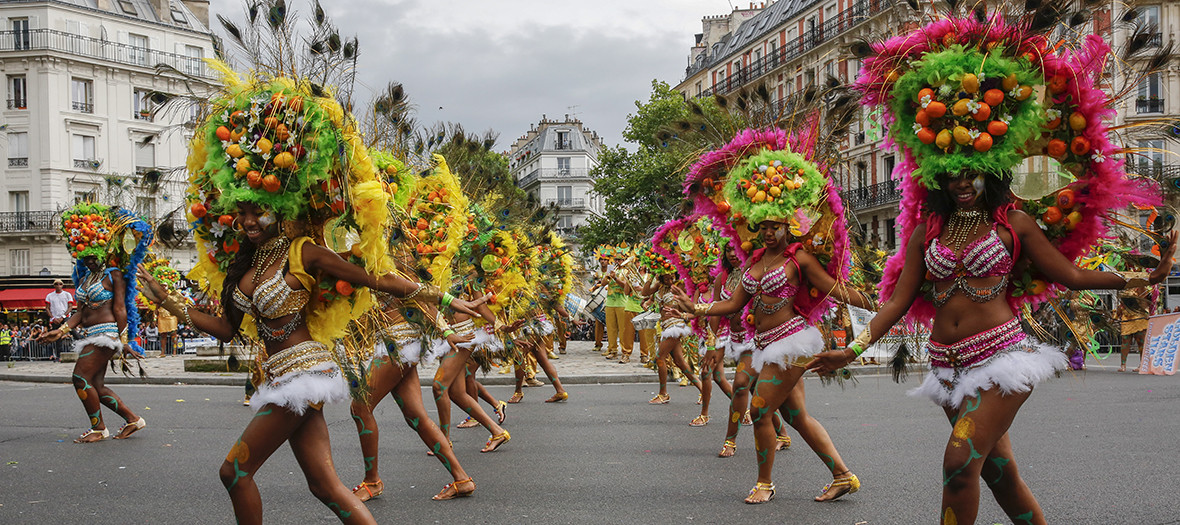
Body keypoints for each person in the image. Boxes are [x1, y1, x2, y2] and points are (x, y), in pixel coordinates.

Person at [810, 13, 1173, 523]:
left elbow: (1070, 276)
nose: (962, 182)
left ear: (992, 172)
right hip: (946, 362)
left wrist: (1142, 276)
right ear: (937, 175)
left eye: (972, 173)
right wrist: (850, 348)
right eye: (951, 174)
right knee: (999, 474)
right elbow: (895, 301)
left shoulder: (1014, 222)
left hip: (1002, 359)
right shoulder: (927, 231)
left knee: (959, 463)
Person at [39, 204, 150, 443]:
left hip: (107, 335)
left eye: (92, 256)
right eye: (85, 257)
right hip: (90, 334)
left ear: (102, 251)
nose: (88, 261)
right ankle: (132, 419)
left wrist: (124, 341)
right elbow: (80, 312)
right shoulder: (85, 279)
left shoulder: (113, 275)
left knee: (80, 377)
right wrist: (61, 330)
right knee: (95, 386)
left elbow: (120, 308)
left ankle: (98, 428)